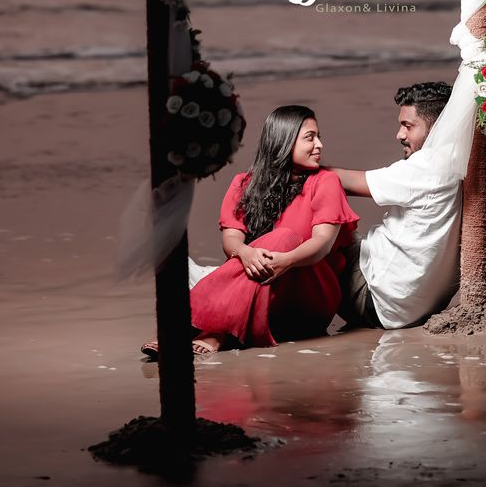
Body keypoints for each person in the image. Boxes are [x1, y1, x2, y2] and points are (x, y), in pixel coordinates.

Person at [330, 81, 486, 330]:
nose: (399, 134)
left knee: (316, 209)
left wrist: (290, 159)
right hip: (419, 310)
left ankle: (297, 325)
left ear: (440, 127)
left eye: (408, 126)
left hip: (372, 300)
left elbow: (336, 182)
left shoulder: (426, 166)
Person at [144, 105, 359, 360]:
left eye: (318, 136)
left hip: (310, 297)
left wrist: (285, 261)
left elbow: (322, 243)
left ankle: (205, 329)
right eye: (310, 138)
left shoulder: (325, 182)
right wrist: (245, 253)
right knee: (255, 250)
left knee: (285, 238)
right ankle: (212, 327)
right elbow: (231, 240)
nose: (320, 145)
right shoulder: (244, 183)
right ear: (283, 140)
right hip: (265, 296)